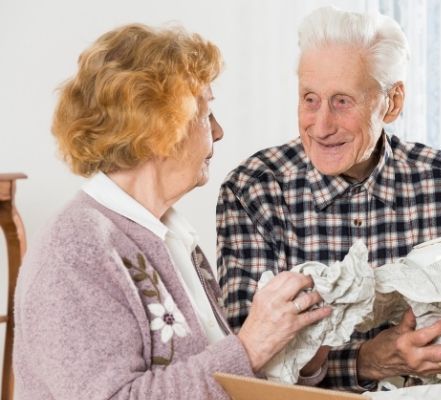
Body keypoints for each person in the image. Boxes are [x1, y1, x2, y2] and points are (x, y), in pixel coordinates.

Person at [13, 23, 331, 399]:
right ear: (159, 126)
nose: (218, 132)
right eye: (206, 113)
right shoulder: (75, 251)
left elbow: (218, 382)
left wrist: (298, 352)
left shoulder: (171, 238)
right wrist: (249, 346)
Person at [216, 6, 441, 392]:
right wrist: (366, 362)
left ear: (393, 102)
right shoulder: (254, 191)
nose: (320, 126)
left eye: (342, 101)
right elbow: (248, 371)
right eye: (310, 99)